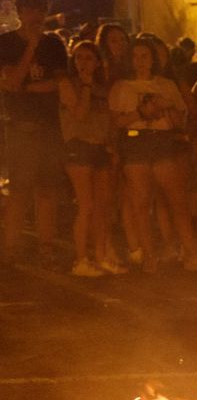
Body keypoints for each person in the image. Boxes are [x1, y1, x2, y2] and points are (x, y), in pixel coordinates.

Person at [110, 37, 197, 272]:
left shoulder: (166, 85)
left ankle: (190, 253)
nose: (140, 61)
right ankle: (149, 256)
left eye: (145, 56)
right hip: (135, 143)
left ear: (153, 59)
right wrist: (140, 112)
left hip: (162, 141)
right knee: (141, 202)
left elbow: (180, 121)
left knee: (177, 200)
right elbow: (116, 122)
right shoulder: (122, 86)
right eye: (135, 56)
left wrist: (166, 106)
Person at [0, 0, 67, 266]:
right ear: (19, 13)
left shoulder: (54, 44)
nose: (35, 16)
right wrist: (30, 47)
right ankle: (11, 247)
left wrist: (27, 87)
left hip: (49, 127)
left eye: (39, 10)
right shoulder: (6, 43)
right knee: (19, 190)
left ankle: (46, 247)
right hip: (20, 128)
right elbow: (11, 81)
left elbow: (60, 83)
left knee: (47, 190)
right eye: (29, 10)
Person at [59, 40, 120, 276]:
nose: (83, 63)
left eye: (88, 58)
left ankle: (101, 255)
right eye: (79, 58)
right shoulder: (68, 84)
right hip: (79, 147)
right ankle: (81, 259)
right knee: (86, 205)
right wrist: (85, 86)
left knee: (102, 207)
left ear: (97, 62)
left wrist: (111, 146)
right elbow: (80, 114)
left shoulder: (102, 88)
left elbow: (109, 119)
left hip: (100, 148)